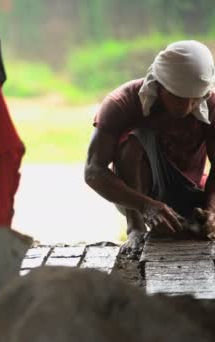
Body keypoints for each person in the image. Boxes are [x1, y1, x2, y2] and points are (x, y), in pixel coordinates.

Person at [84, 40, 215, 255]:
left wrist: (211, 211)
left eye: (195, 100)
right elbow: (92, 171)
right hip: (135, 197)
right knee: (137, 138)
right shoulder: (122, 103)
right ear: (159, 84)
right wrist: (146, 206)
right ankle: (135, 229)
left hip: (191, 190)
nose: (187, 107)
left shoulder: (211, 105)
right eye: (179, 98)